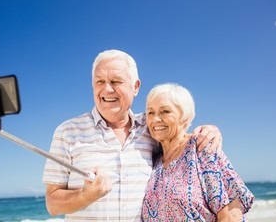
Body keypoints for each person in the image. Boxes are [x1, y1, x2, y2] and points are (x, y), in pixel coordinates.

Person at [42, 49, 223, 221]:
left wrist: (209, 130)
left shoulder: (151, 126)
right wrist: (86, 195)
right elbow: (52, 204)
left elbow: (179, 138)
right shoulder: (67, 132)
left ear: (135, 87)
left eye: (115, 81)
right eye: (99, 82)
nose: (106, 89)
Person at [142, 83, 254, 221]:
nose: (155, 119)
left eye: (165, 111)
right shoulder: (154, 160)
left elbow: (231, 215)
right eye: (150, 112)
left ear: (184, 116)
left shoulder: (202, 149)